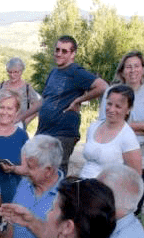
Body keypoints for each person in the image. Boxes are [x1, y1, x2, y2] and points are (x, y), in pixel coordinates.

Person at [97, 52, 144, 214]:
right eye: (128, 67)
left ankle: (130, 237)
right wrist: (143, 127)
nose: (132, 70)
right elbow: (103, 123)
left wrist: (122, 124)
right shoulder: (112, 92)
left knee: (134, 206)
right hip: (115, 154)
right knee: (110, 203)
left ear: (143, 70)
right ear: (122, 71)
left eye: (136, 66)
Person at [36, 36, 109, 167]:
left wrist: (79, 100)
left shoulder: (76, 72)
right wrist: (22, 117)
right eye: (57, 50)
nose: (59, 54)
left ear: (73, 54)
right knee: (37, 169)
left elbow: (102, 86)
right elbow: (44, 100)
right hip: (44, 130)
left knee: (55, 173)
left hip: (62, 133)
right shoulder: (54, 72)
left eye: (64, 51)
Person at [79, 84, 142, 179]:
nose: (111, 109)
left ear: (128, 110)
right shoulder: (93, 127)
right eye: (109, 104)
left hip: (106, 191)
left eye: (118, 106)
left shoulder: (128, 137)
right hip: (83, 185)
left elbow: (135, 176)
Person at [0, 57, 42, 127]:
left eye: (16, 72)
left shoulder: (27, 89)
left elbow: (37, 107)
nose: (12, 75)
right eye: (10, 72)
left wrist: (25, 123)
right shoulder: (1, 86)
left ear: (21, 71)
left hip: (17, 126)